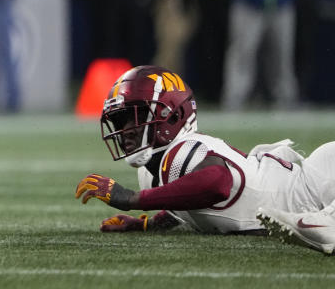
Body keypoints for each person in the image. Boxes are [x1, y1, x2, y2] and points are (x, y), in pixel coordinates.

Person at [73, 65, 335, 255]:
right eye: (121, 121)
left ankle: (326, 222)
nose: (127, 129)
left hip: (315, 184)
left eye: (135, 117)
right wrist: (149, 224)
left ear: (172, 116)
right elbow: (187, 203)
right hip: (307, 197)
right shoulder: (153, 171)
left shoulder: (183, 150)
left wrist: (131, 200)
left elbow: (217, 182)